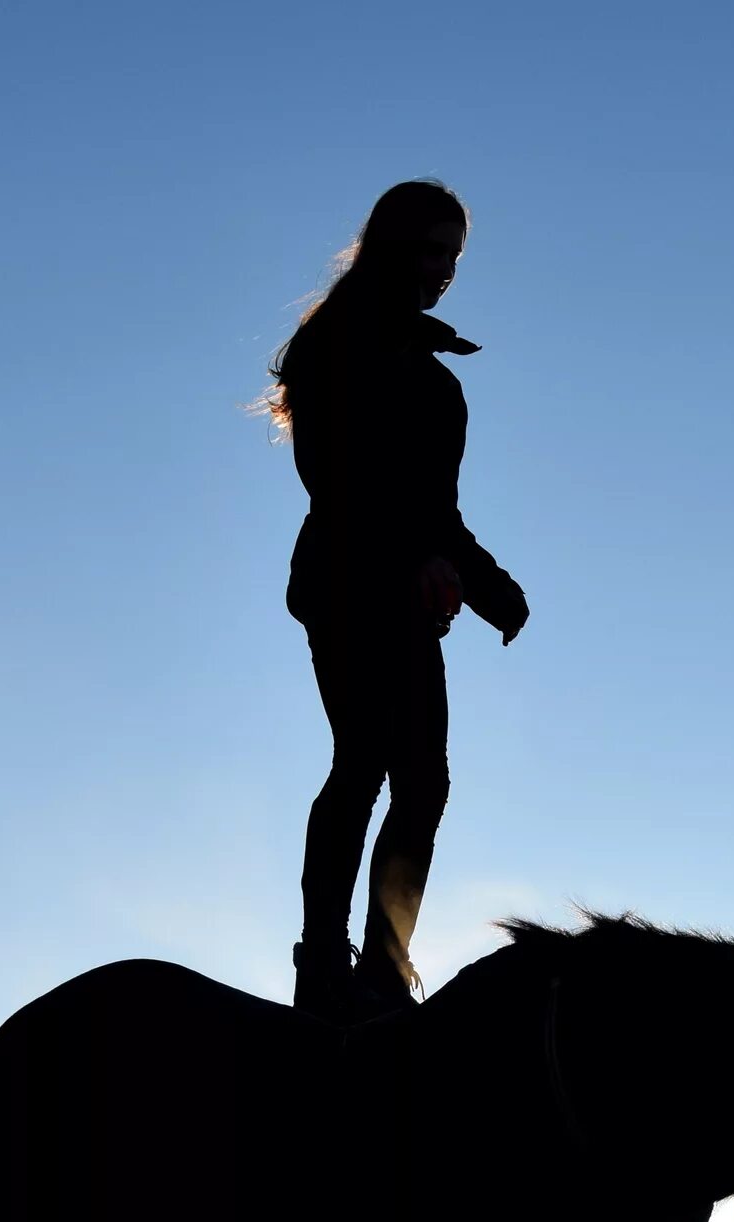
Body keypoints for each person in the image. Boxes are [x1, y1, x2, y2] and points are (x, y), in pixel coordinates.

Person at [267, 179, 529, 1021]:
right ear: (386, 246)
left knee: (424, 782)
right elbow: (338, 474)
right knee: (365, 761)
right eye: (428, 249)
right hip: (347, 579)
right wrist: (419, 556)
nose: (443, 269)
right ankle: (323, 963)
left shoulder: (433, 371)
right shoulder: (337, 342)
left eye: (453, 255)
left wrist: (491, 589)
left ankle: (384, 968)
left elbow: (437, 508)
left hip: (409, 596)